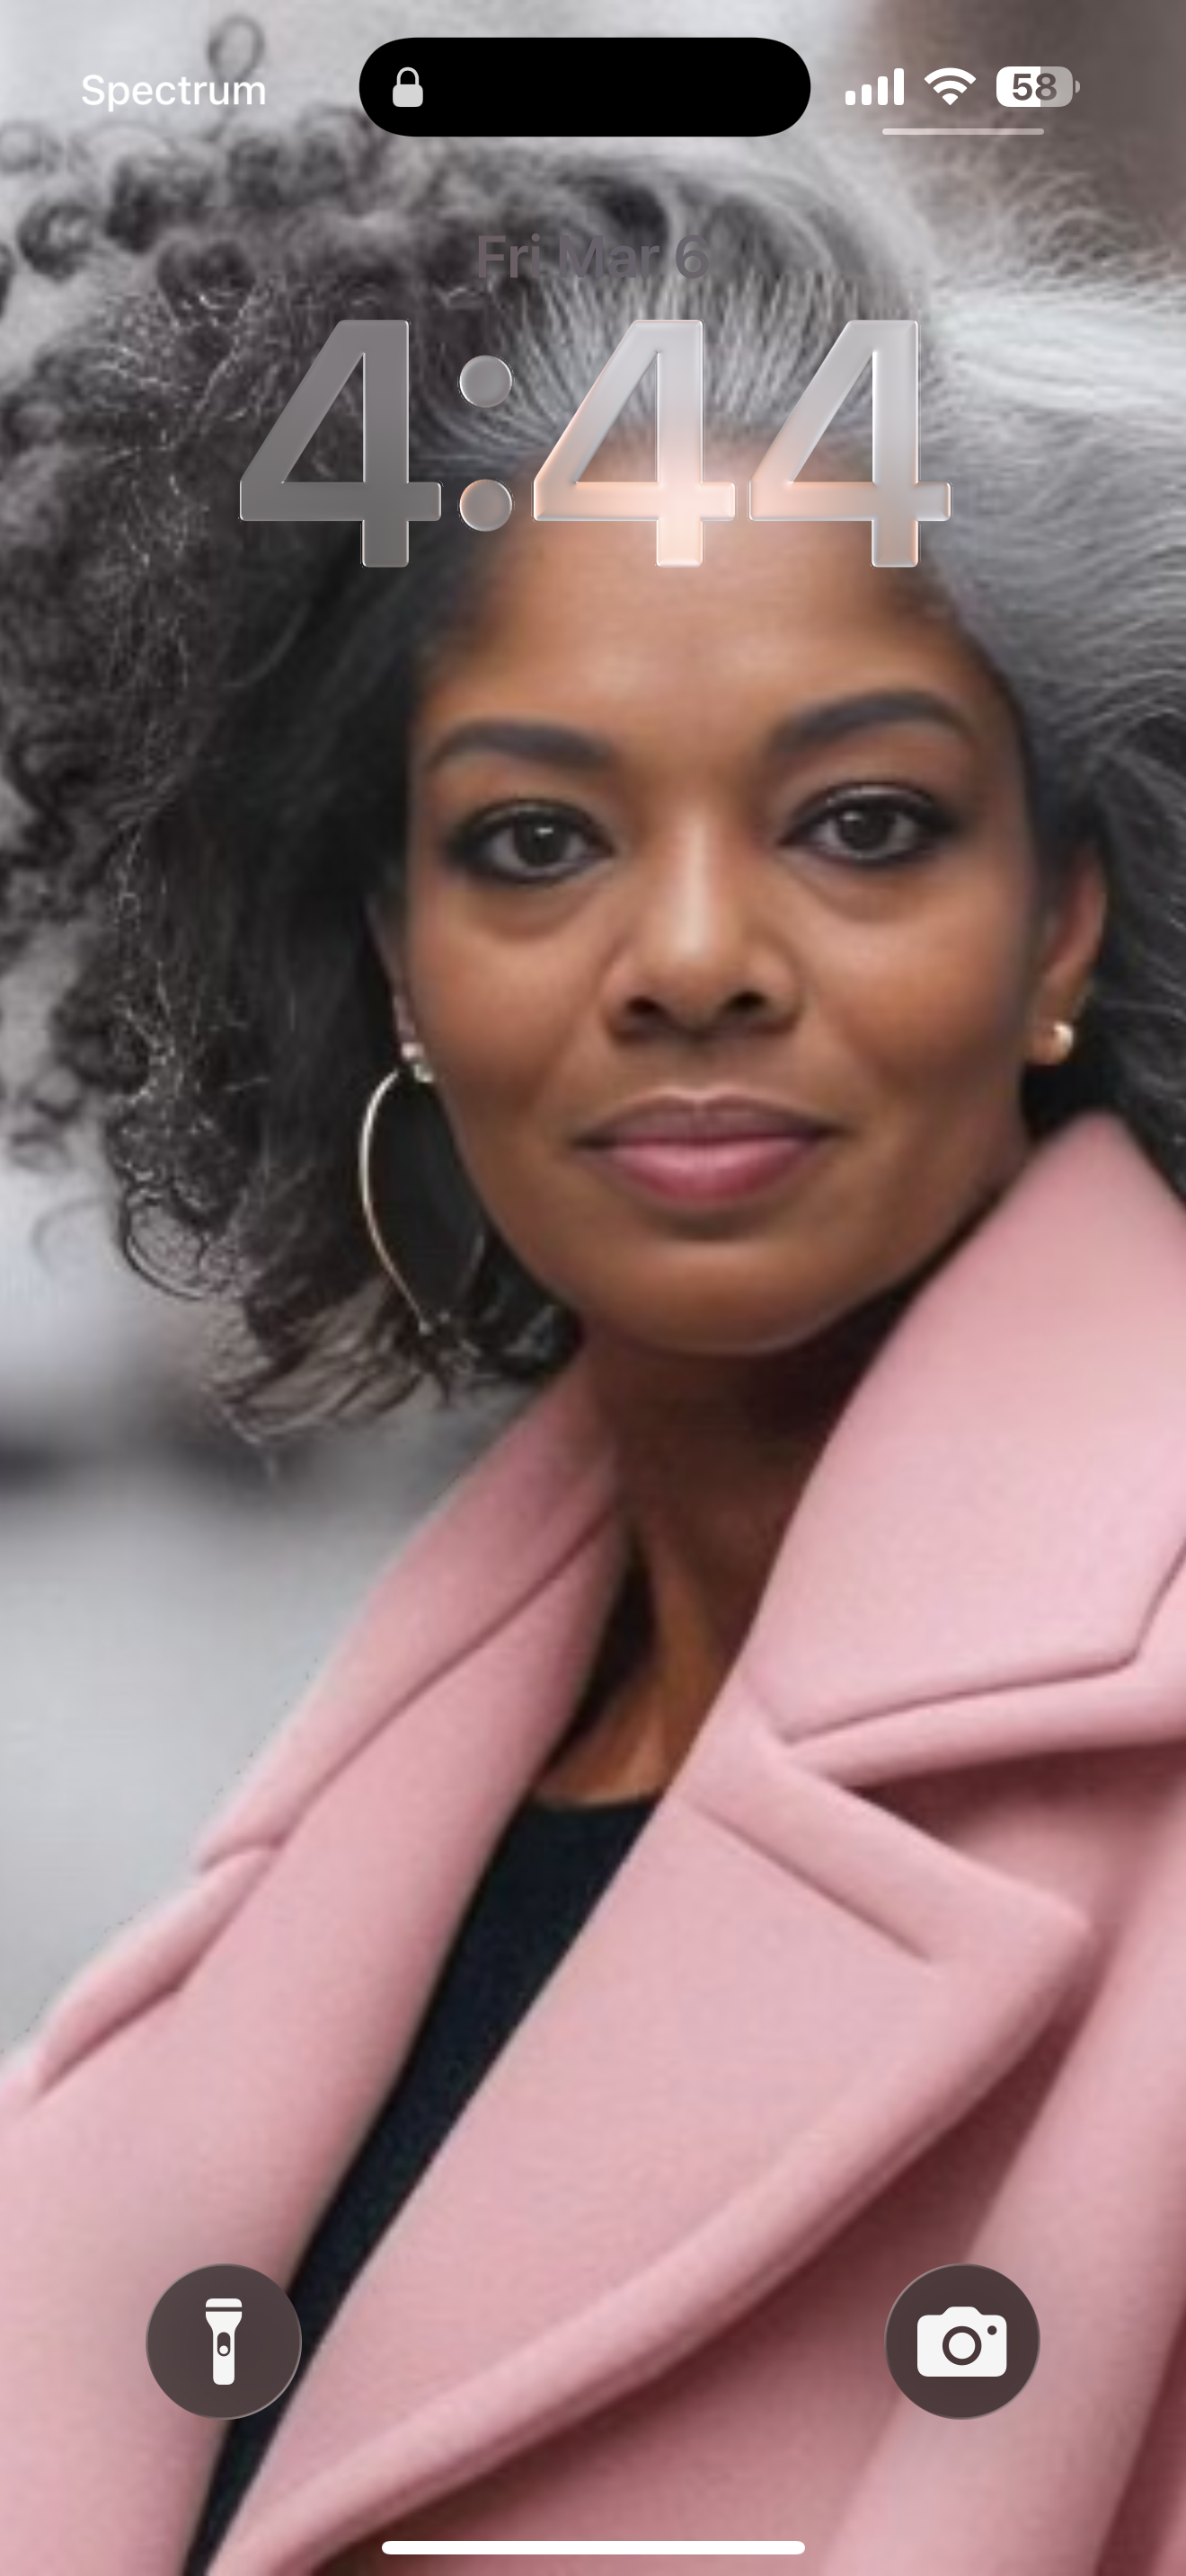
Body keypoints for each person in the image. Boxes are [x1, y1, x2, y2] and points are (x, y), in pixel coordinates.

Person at [2, 108, 1186, 2576]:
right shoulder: (319, 1869)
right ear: (405, 966)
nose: (691, 955)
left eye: (860, 820)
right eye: (535, 836)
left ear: (1062, 920)